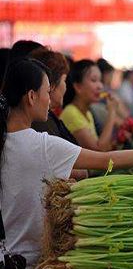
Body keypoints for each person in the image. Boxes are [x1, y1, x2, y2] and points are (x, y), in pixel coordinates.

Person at [0, 58, 133, 269]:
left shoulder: (6, 141)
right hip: (35, 267)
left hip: (10, 261)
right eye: (46, 92)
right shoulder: (41, 145)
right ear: (31, 97)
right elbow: (106, 159)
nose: (50, 100)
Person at [29, 47, 88, 181]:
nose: (66, 86)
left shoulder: (48, 118)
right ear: (51, 85)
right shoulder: (40, 122)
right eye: (64, 80)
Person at [60, 59, 118, 151]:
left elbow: (104, 147)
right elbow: (99, 150)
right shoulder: (71, 113)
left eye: (100, 80)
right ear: (78, 87)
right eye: (94, 80)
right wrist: (112, 112)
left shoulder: (88, 113)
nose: (100, 86)